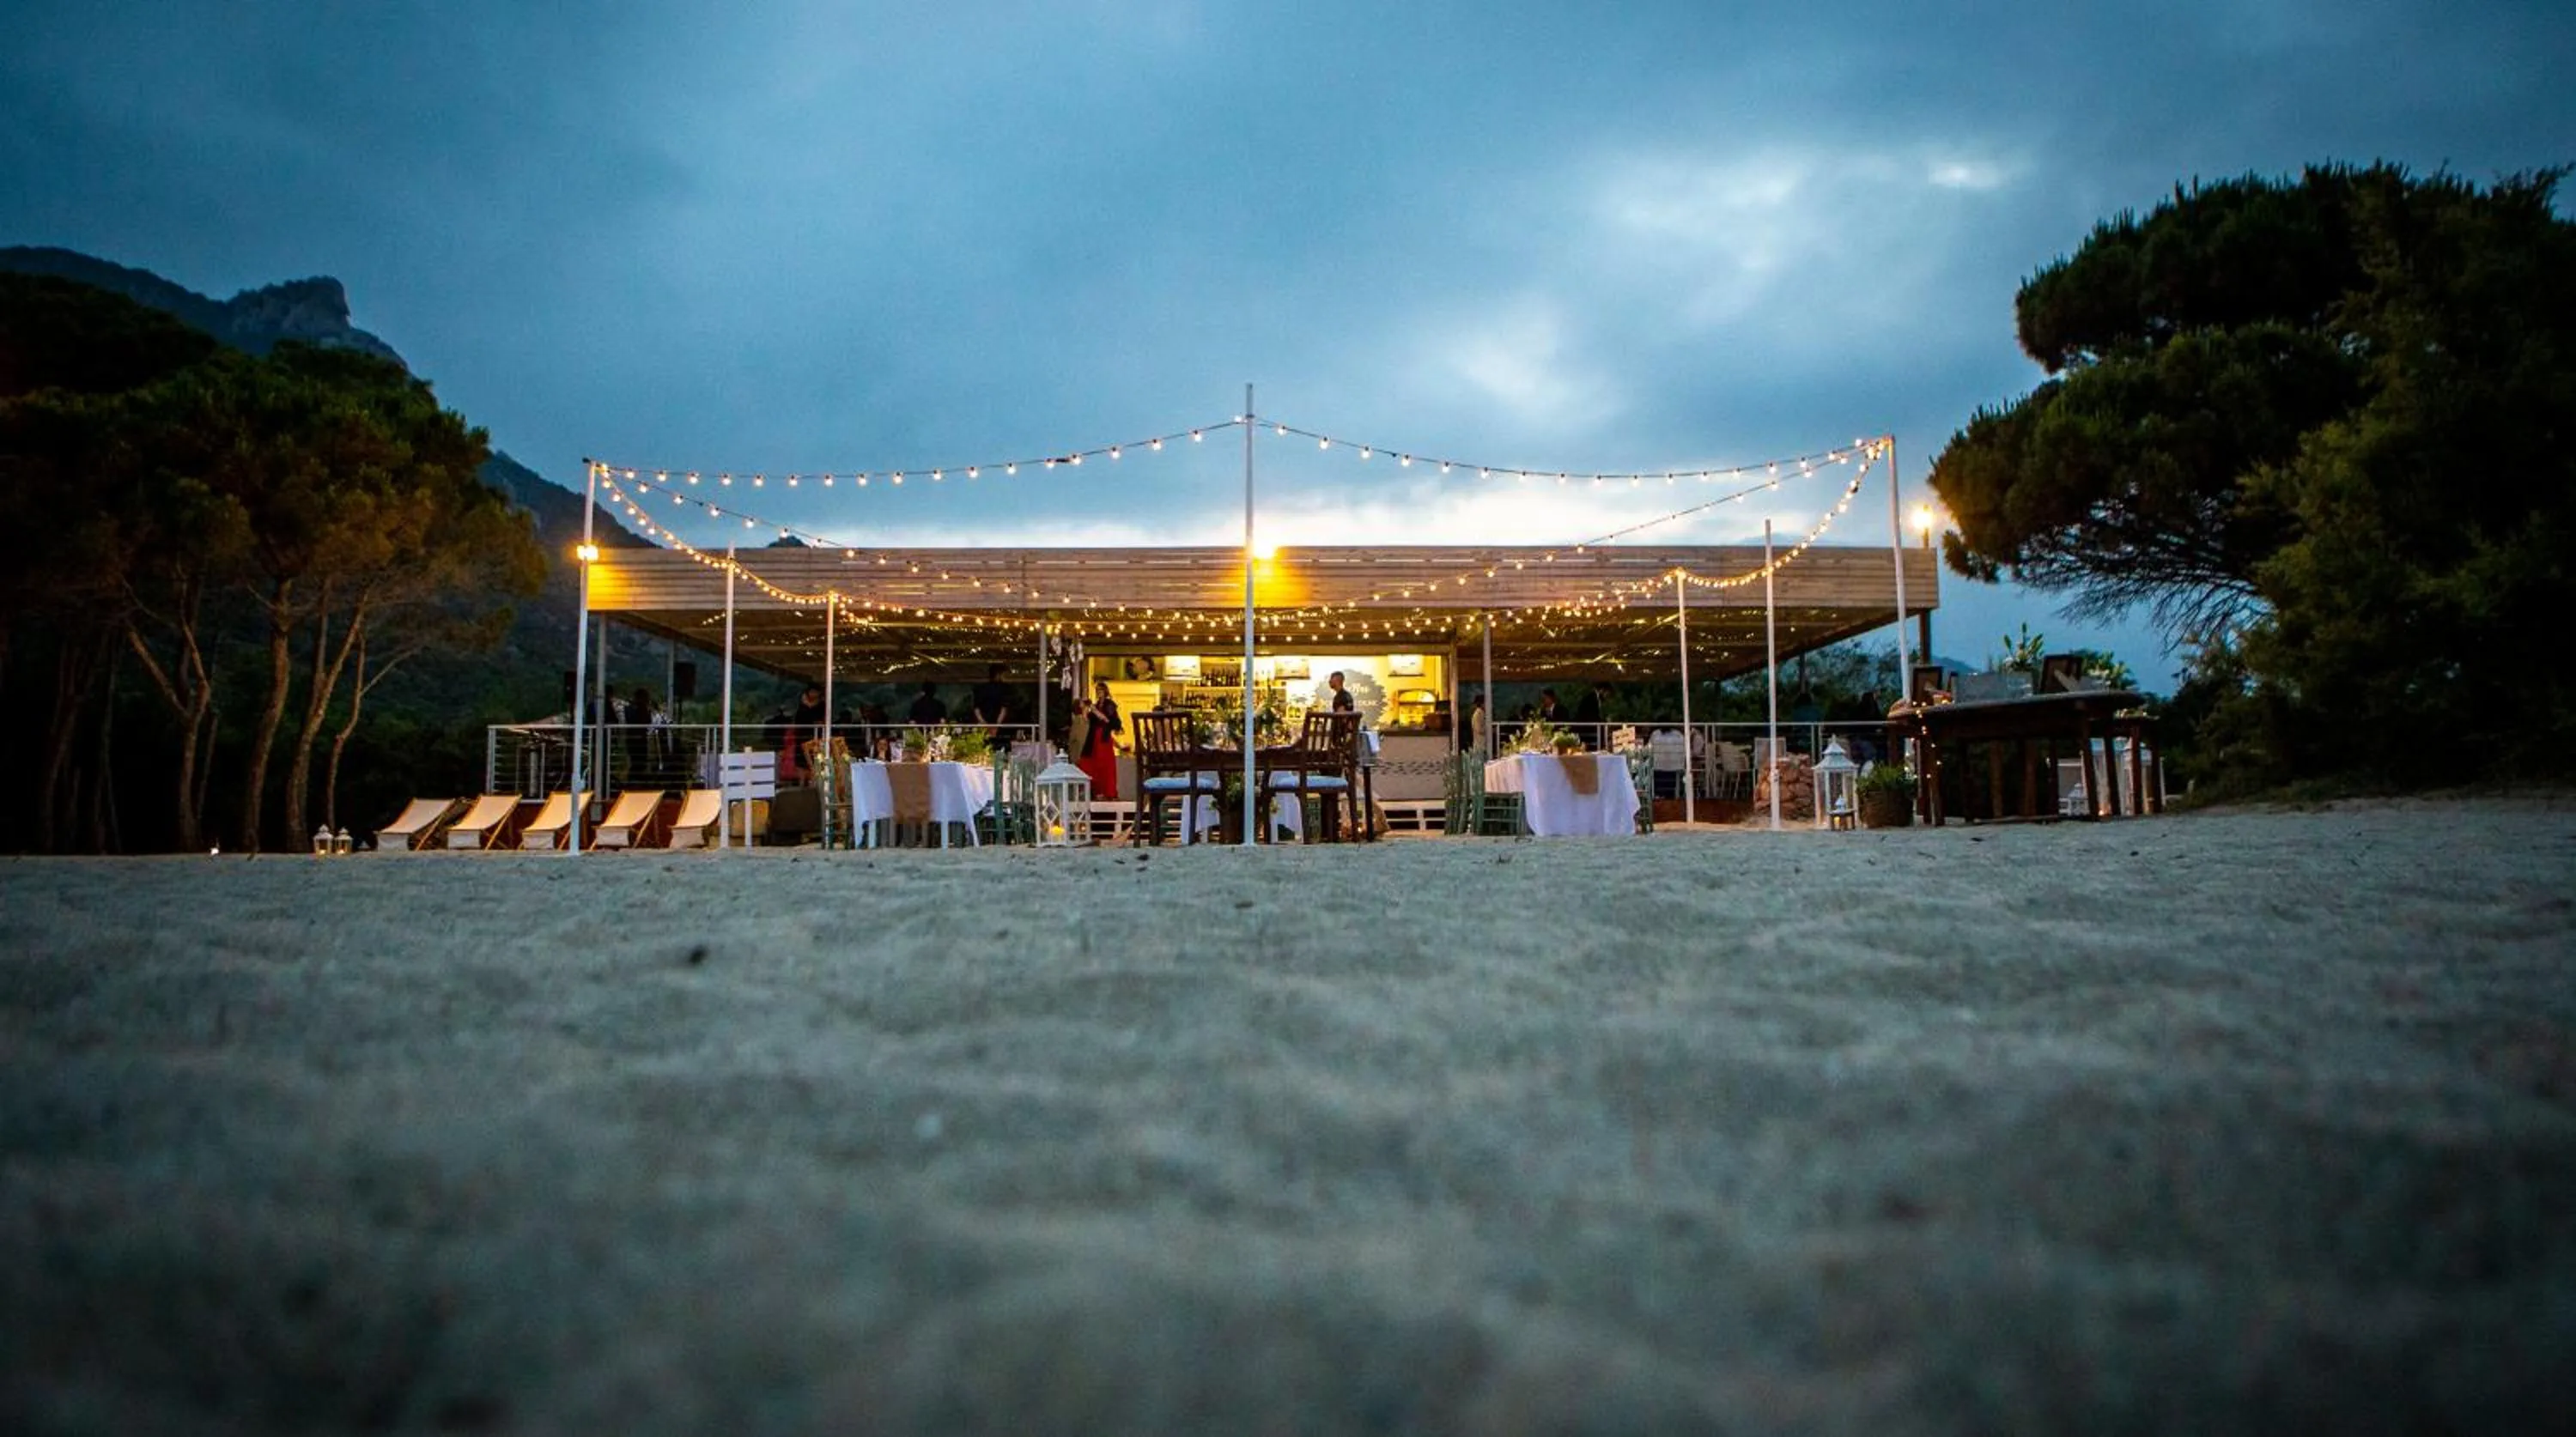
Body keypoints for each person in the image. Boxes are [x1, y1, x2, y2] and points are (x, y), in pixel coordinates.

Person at [1073, 678, 1123, 799]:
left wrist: (1093, 709)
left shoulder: (1109, 704)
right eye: (1097, 690)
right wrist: (1085, 708)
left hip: (1104, 738)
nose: (1098, 692)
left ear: (1105, 691)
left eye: (1100, 690)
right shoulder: (1095, 706)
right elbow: (1087, 719)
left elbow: (1106, 720)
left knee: (1105, 765)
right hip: (1094, 738)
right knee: (1091, 763)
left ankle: (1109, 792)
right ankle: (1098, 791)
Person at [970, 664, 1013, 736]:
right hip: (999, 728)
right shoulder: (1004, 689)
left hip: (984, 727)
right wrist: (996, 726)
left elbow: (976, 709)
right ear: (998, 675)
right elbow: (1004, 709)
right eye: (1004, 674)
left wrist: (984, 724)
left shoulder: (981, 688)